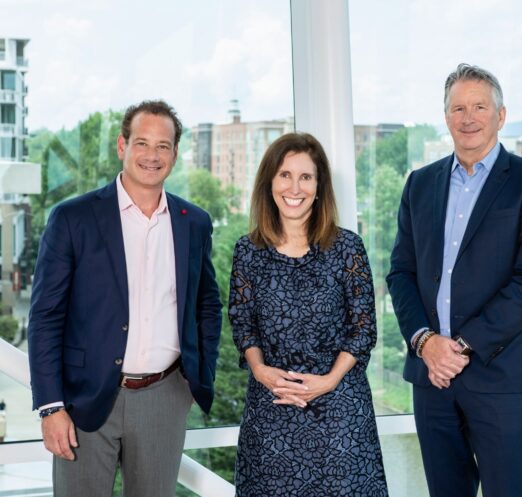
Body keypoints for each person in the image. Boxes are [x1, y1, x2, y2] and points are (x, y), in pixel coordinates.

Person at [28, 100, 222, 496]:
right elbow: (46, 317)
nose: (152, 155)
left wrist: (194, 377)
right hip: (84, 398)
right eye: (142, 143)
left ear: (174, 154)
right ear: (122, 145)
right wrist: (51, 406)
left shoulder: (195, 223)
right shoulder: (73, 218)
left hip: (164, 396)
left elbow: (207, 304)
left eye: (163, 146)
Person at [387, 64, 522, 497]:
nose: (469, 117)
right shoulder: (420, 184)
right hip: (432, 378)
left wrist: (460, 346)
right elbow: (401, 273)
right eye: (458, 108)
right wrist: (426, 343)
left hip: (499, 378)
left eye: (480, 106)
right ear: (445, 117)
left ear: (500, 116)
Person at [229, 132, 388, 497]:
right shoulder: (247, 251)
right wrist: (259, 369)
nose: (294, 187)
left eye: (306, 177)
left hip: (340, 416)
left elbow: (363, 328)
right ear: (269, 183)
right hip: (272, 410)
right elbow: (242, 323)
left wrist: (329, 380)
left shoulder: (348, 247)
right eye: (285, 175)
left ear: (319, 187)